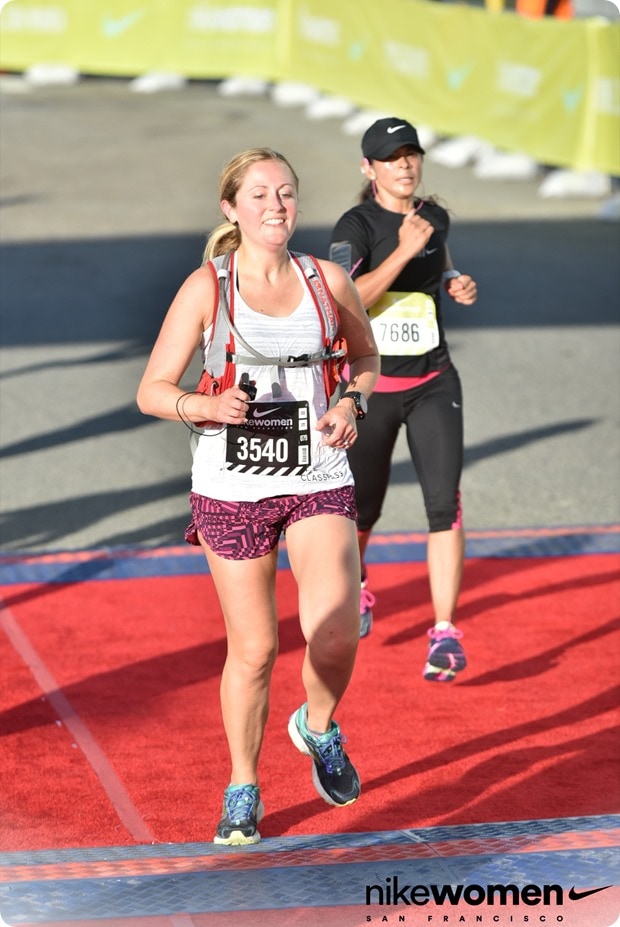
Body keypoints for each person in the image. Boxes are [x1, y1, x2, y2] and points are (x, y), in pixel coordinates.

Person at [137, 148, 379, 846]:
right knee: (255, 648)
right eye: (261, 195)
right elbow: (152, 389)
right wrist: (203, 407)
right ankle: (243, 783)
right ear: (231, 209)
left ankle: (318, 725)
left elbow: (364, 360)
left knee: (334, 628)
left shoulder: (326, 279)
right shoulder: (207, 289)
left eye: (287, 194)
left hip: (317, 476)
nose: (276, 206)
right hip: (232, 487)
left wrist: (352, 405)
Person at [329, 117, 478, 680]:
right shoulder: (356, 224)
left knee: (444, 503)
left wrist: (458, 280)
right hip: (373, 391)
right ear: (369, 169)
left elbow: (440, 267)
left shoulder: (433, 217)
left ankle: (444, 632)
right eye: (392, 158)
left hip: (434, 382)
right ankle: (359, 584)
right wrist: (400, 252)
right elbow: (346, 300)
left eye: (412, 154)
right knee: (363, 510)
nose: (406, 165)